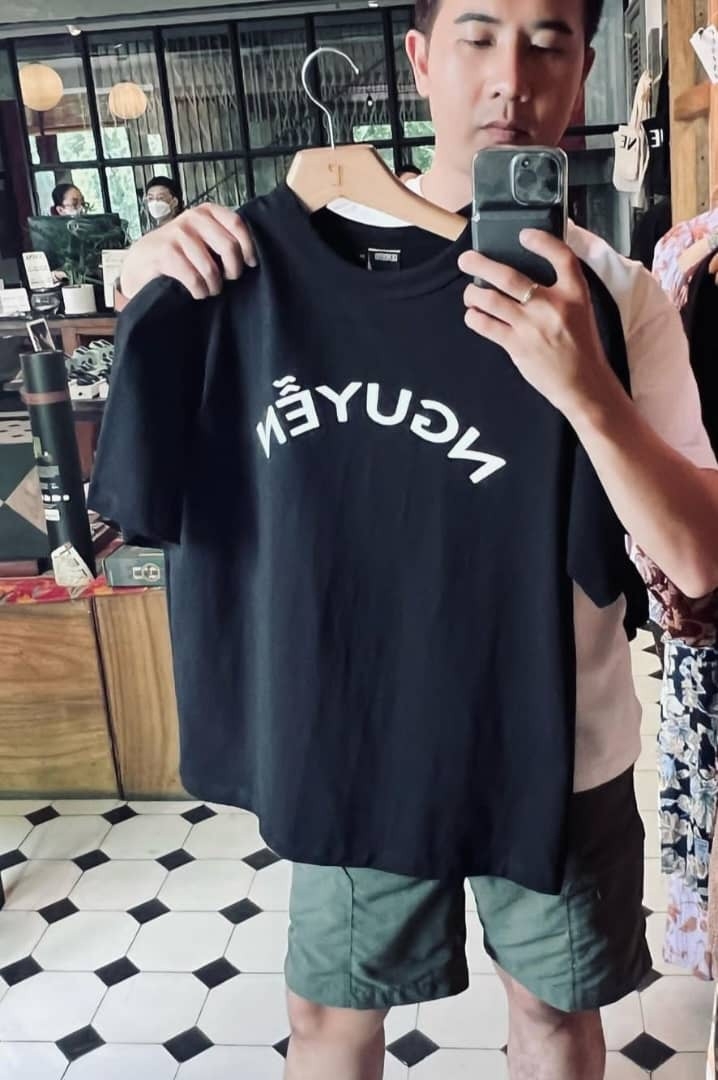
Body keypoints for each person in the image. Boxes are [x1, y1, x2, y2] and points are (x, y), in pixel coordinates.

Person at [112, 2, 718, 1078]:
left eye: (548, 43)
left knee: (552, 1016)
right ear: (421, 59)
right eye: (479, 37)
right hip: (350, 730)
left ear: (584, 66)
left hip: (558, 749)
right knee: (329, 1020)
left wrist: (585, 388)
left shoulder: (615, 295)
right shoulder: (259, 268)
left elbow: (698, 559)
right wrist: (144, 280)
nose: (511, 77)